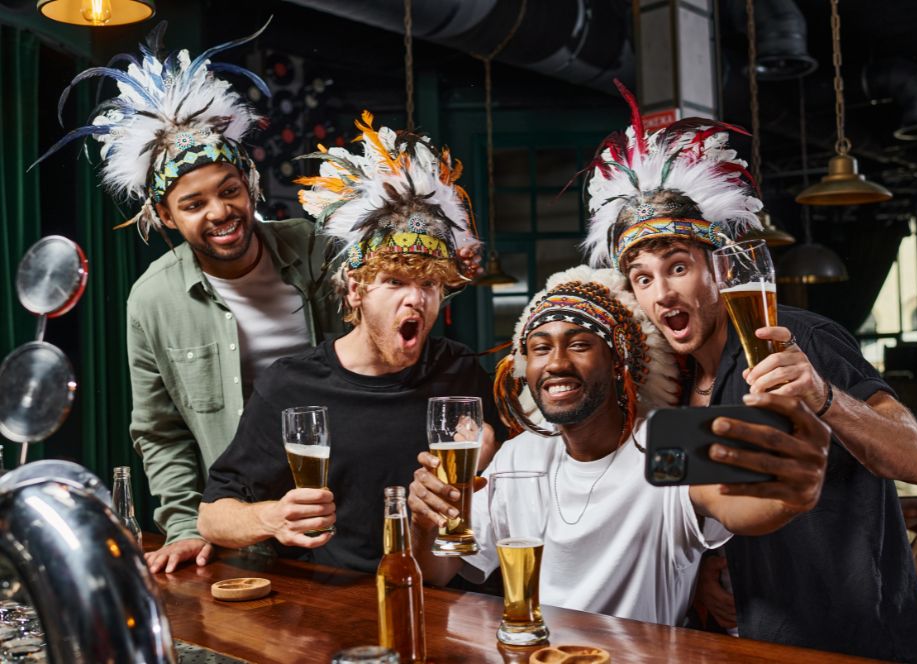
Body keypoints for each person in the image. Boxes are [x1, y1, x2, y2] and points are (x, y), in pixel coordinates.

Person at [582, 95, 917, 661]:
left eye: (677, 266)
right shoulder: (666, 387)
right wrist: (701, 575)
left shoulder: (796, 337)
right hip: (746, 642)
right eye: (642, 279)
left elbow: (916, 460)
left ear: (718, 268)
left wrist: (822, 396)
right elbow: (695, 517)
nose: (663, 293)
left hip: (860, 643)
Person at [33, 21, 345, 574]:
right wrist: (180, 525)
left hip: (344, 501)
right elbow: (160, 431)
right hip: (242, 526)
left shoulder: (315, 249)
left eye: (229, 191)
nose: (220, 212)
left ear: (248, 186)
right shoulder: (152, 300)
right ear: (166, 217)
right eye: (194, 204)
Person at [407, 266, 831, 625]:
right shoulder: (520, 455)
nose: (555, 363)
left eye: (578, 344)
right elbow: (438, 572)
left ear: (617, 363)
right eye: (540, 348)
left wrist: (790, 495)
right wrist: (425, 522)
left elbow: (739, 509)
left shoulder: (664, 440)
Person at [197, 114, 502, 573]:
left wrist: (489, 451)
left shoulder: (459, 372)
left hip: (439, 600)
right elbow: (213, 514)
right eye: (394, 281)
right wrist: (270, 517)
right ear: (355, 291)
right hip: (328, 609)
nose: (415, 298)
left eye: (429, 284)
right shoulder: (291, 386)